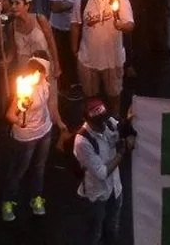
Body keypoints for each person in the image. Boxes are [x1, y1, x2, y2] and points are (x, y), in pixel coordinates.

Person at [1, 55, 68, 222]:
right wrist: (18, 120)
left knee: (39, 168)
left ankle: (36, 198)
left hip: (44, 132)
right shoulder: (24, 88)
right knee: (19, 170)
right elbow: (10, 115)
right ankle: (8, 202)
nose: (41, 75)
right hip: (26, 137)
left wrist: (59, 124)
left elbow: (50, 106)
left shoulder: (45, 84)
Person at [71, 0, 134, 117]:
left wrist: (121, 25)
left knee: (114, 94)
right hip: (88, 58)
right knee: (91, 96)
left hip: (113, 58)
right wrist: (74, 50)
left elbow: (130, 25)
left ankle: (114, 121)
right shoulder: (83, 0)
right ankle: (93, 122)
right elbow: (75, 25)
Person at [73, 98, 134, 245]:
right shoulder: (82, 142)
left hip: (115, 189)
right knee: (94, 233)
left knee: (112, 229)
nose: (102, 125)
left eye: (103, 119)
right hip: (96, 195)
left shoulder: (108, 123)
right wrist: (120, 153)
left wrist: (129, 123)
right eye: (98, 121)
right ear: (87, 120)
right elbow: (101, 173)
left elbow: (121, 132)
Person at [49, 0, 86, 99]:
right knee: (66, 57)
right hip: (63, 27)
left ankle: (76, 83)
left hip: (75, 20)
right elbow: (55, 6)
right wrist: (77, 3)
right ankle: (65, 89)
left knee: (75, 56)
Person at [4, 0, 60, 89]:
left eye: (17, 3)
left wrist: (57, 65)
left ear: (27, 6)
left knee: (49, 99)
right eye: (12, 3)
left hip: (44, 66)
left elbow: (51, 42)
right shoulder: (11, 27)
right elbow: (12, 51)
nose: (13, 6)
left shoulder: (40, 19)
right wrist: (6, 62)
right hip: (25, 70)